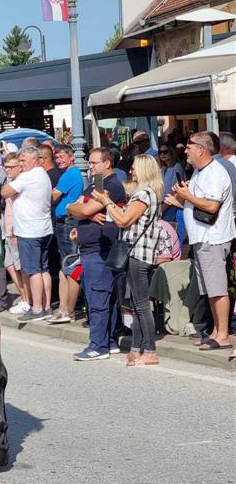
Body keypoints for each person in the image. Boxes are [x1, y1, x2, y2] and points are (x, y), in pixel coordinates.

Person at [165, 132, 236, 351]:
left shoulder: (215, 172)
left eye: (189, 146)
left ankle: (222, 334)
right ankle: (216, 330)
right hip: (201, 238)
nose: (185, 149)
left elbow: (211, 206)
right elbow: (196, 204)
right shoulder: (199, 171)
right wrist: (180, 198)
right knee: (208, 289)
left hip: (213, 237)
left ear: (201, 149)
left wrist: (186, 196)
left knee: (217, 289)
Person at [92, 155, 163, 366]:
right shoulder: (148, 193)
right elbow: (126, 216)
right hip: (138, 253)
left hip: (139, 254)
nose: (131, 171)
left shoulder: (144, 194)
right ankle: (136, 348)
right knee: (135, 303)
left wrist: (106, 202)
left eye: (134, 167)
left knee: (141, 304)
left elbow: (123, 220)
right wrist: (110, 203)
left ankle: (149, 351)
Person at [67, 147, 127, 361]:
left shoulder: (111, 184)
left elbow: (82, 209)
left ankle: (98, 345)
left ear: (107, 163)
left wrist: (84, 212)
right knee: (103, 297)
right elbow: (74, 207)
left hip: (100, 250)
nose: (89, 167)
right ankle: (109, 341)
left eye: (94, 163)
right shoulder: (98, 183)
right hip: (91, 247)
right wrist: (86, 215)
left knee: (98, 298)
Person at [1, 146, 53, 322]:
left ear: (34, 160)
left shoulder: (28, 176)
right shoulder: (42, 174)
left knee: (33, 271)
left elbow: (4, 191)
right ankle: (46, 306)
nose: (21, 164)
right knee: (43, 269)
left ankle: (37, 308)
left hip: (30, 231)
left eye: (23, 161)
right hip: (43, 229)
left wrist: (15, 189)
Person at [47, 144, 84, 324]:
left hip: (68, 222)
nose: (59, 160)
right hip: (64, 222)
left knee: (70, 264)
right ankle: (63, 307)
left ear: (71, 158)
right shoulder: (67, 174)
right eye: (57, 157)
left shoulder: (70, 175)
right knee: (65, 265)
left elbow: (53, 196)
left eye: (62, 157)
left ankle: (70, 309)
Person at [1, 152, 32, 315]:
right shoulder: (10, 181)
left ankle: (28, 300)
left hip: (15, 231)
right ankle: (24, 297)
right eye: (5, 167)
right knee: (10, 265)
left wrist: (14, 233)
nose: (7, 170)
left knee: (20, 268)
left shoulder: (20, 183)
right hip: (8, 230)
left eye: (11, 167)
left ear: (19, 167)